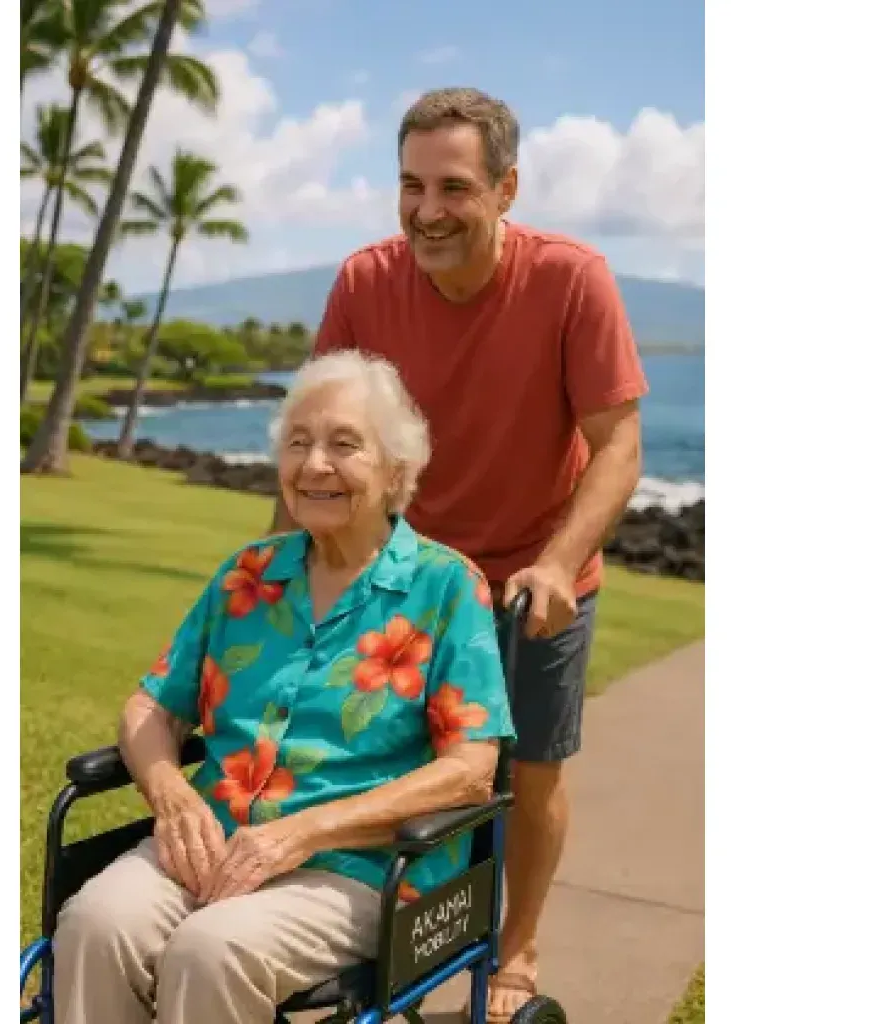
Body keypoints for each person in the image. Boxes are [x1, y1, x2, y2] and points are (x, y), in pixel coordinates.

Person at [269, 87, 649, 1021]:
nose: (427, 211)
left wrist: (559, 563)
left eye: (453, 187)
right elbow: (320, 430)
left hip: (535, 570)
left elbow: (618, 444)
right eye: (410, 186)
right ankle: (386, 924)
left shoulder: (572, 278)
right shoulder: (366, 281)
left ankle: (516, 948)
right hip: (406, 575)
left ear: (505, 189)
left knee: (527, 772)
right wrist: (269, 576)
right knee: (371, 758)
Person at [53, 351, 516, 1024]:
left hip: (358, 867)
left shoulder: (445, 587)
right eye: (298, 442)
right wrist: (171, 794)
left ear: (396, 472)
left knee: (213, 951)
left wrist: (303, 832)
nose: (314, 464)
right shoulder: (249, 575)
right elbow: (153, 703)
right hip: (211, 843)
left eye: (343, 444)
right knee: (96, 923)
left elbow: (472, 772)